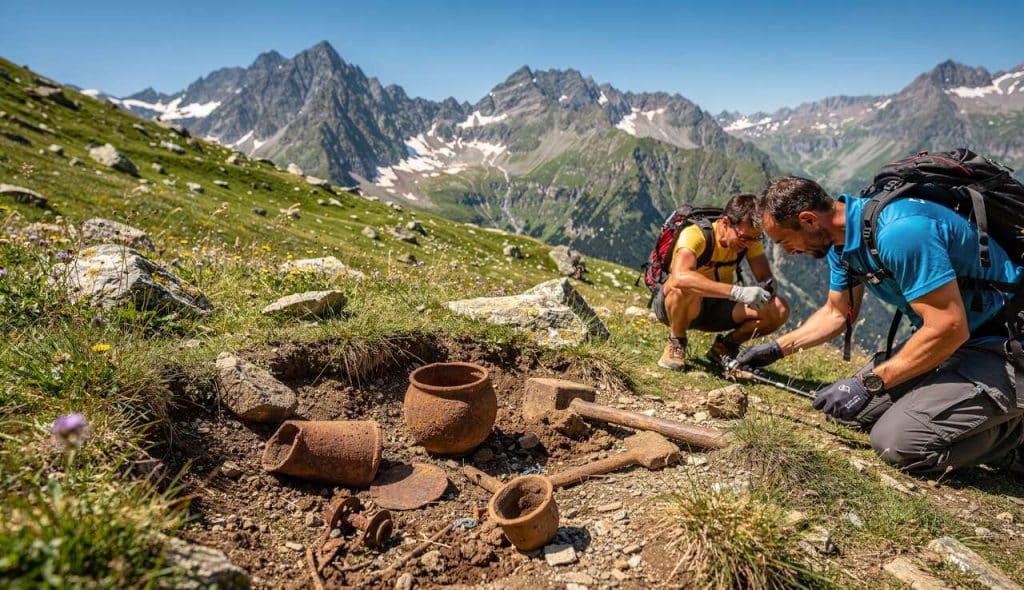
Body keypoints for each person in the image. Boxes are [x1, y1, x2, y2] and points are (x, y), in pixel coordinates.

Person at [738, 176, 1024, 476]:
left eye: (784, 241)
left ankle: (1012, 437)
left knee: (897, 444)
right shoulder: (842, 245)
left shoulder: (900, 233)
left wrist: (868, 382)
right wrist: (774, 350)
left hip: (1004, 342)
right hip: (957, 343)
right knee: (848, 414)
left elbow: (949, 328)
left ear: (808, 220)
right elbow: (837, 313)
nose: (788, 252)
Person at [652, 193, 789, 371]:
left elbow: (766, 276)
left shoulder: (748, 239)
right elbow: (680, 277)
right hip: (679, 306)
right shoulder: (695, 235)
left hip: (719, 307)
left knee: (779, 309)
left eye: (755, 238)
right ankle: (676, 342)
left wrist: (767, 290)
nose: (749, 244)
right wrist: (737, 292)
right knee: (683, 286)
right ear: (725, 223)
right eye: (744, 238)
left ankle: (724, 348)